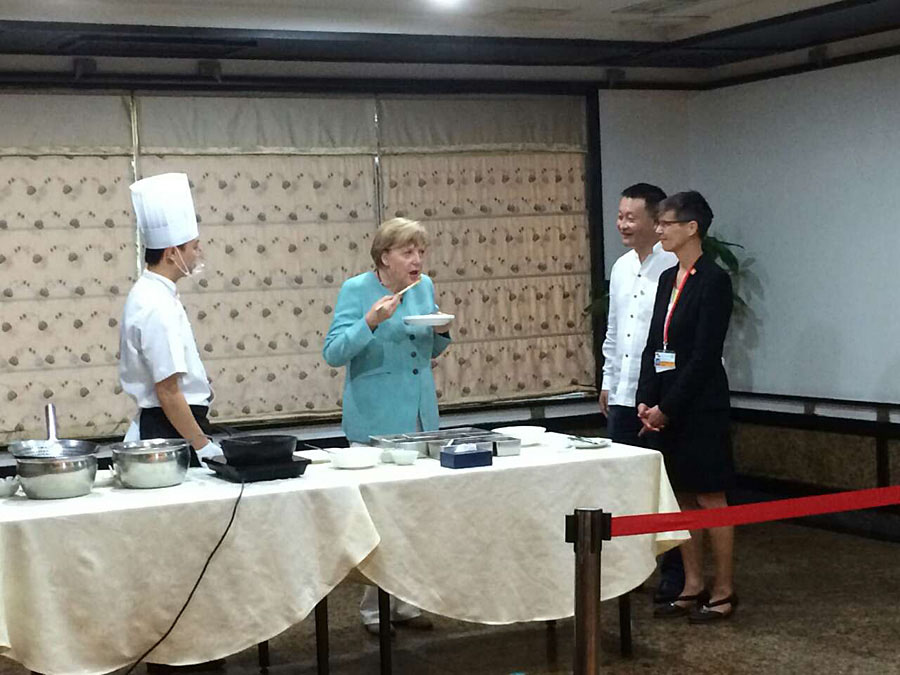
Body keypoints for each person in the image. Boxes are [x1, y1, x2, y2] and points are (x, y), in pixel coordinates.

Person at [323, 217, 452, 636]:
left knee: (416, 516)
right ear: (385, 257)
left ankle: (407, 602)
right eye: (408, 252)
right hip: (375, 419)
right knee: (378, 519)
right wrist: (370, 323)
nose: (417, 260)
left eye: (420, 252)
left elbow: (428, 348)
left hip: (420, 417)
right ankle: (373, 609)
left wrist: (443, 332)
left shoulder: (425, 288)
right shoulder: (356, 291)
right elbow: (334, 352)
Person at [636, 191, 737, 623]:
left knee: (710, 495)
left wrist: (669, 407)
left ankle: (724, 589)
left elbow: (703, 355)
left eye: (666, 222)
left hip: (700, 405)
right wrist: (646, 397)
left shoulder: (713, 280)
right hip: (667, 403)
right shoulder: (666, 279)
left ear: (691, 227)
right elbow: (654, 344)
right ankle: (692, 583)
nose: (659, 229)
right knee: (679, 499)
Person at [599, 183, 683, 602]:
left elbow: (671, 342)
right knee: (624, 484)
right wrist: (607, 381)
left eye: (631, 218)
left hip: (657, 396)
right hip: (622, 393)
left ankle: (675, 573)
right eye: (619, 216)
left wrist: (663, 399)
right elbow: (615, 330)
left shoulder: (674, 268)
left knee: (664, 486)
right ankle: (628, 571)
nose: (622, 224)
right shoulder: (620, 267)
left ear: (656, 221)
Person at [119, 173, 222, 467]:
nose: (197, 255)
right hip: (170, 430)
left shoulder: (157, 294)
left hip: (175, 425)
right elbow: (167, 390)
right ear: (171, 253)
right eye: (193, 247)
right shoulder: (154, 304)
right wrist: (201, 445)